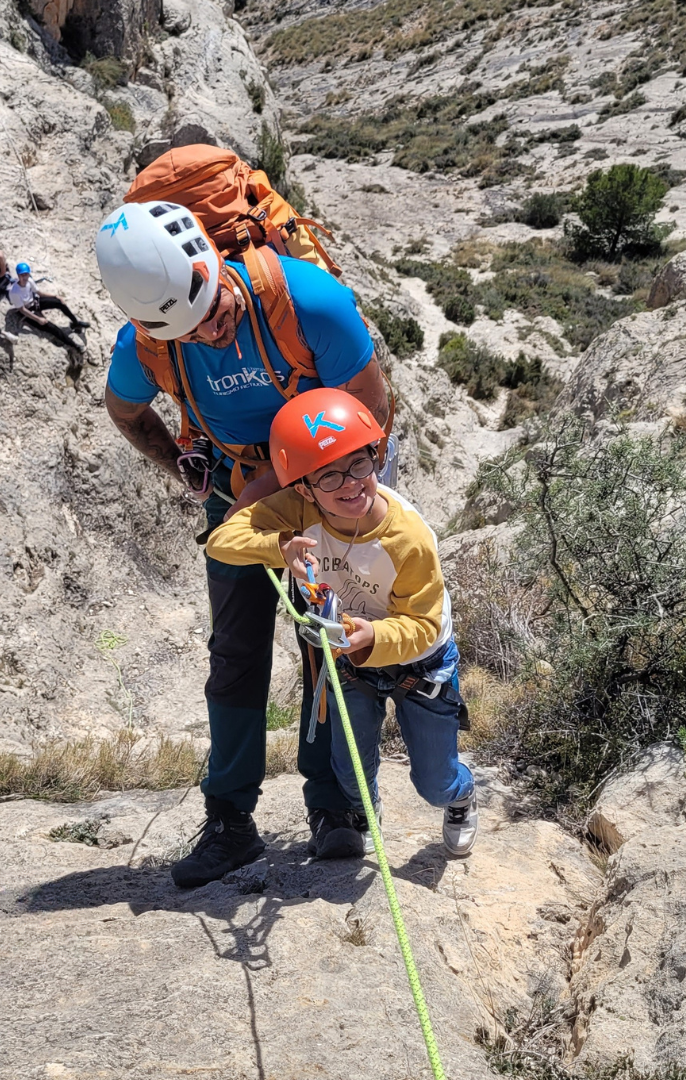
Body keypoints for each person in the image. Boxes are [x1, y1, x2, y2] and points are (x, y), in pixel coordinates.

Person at [95, 199, 391, 889]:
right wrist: (188, 472)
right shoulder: (147, 347)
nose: (211, 330)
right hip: (237, 494)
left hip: (328, 485)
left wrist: (307, 489)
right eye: (190, 332)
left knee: (330, 640)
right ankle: (229, 820)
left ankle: (336, 806)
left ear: (212, 258)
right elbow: (125, 411)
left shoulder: (309, 302)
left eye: (215, 311)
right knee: (235, 651)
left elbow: (373, 411)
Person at [207, 389, 478, 858]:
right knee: (350, 779)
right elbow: (222, 539)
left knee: (434, 784)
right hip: (352, 658)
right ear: (303, 488)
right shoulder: (298, 512)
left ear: (376, 459)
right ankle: (362, 809)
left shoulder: (408, 538)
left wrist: (374, 636)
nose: (351, 484)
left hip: (419, 662)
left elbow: (425, 625)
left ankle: (460, 796)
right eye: (330, 475)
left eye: (359, 464)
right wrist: (279, 548)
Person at [9, 262, 89, 347]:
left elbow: (40, 293)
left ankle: (75, 323)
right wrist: (38, 319)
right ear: (18, 275)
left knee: (59, 302)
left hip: (34, 303)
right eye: (22, 275)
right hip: (27, 311)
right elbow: (22, 310)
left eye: (26, 274)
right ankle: (75, 346)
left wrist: (56, 296)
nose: (25, 277)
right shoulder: (14, 292)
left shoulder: (29, 281)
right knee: (52, 328)